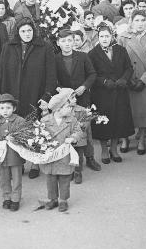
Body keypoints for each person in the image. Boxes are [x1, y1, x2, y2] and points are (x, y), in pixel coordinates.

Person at [0, 17, 57, 179]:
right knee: (14, 131)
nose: (27, 34)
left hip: (35, 95)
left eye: (29, 30)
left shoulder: (44, 47)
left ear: (34, 31)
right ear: (18, 32)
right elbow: (0, 73)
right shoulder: (8, 47)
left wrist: (47, 96)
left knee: (35, 130)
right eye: (23, 31)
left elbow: (51, 75)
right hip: (13, 96)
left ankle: (35, 163)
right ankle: (16, 164)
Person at [54, 29, 101, 181]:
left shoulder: (82, 56)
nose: (67, 44)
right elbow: (52, 79)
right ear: (58, 43)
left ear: (74, 41)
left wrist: (84, 87)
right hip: (65, 102)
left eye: (69, 40)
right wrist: (60, 90)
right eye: (63, 41)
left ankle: (90, 157)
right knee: (68, 131)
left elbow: (92, 74)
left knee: (85, 129)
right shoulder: (55, 59)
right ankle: (74, 164)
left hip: (82, 98)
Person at [88, 22, 135, 163]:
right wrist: (103, 81)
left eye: (107, 36)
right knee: (103, 121)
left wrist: (124, 79)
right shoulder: (93, 53)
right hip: (102, 94)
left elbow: (129, 68)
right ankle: (103, 150)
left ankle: (114, 149)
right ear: (98, 37)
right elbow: (91, 74)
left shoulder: (121, 50)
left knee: (118, 120)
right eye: (101, 36)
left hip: (119, 91)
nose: (104, 39)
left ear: (112, 36)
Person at [117, 10, 146, 155]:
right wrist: (127, 78)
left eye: (143, 20)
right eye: (137, 20)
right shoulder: (123, 37)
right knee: (125, 111)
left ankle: (142, 139)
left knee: (144, 112)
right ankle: (125, 138)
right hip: (127, 81)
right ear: (131, 21)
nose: (140, 23)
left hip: (145, 82)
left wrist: (143, 80)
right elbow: (118, 60)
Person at [40, 88, 86, 213]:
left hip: (65, 156)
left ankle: (63, 200)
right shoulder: (45, 121)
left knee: (65, 179)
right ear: (58, 108)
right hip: (50, 157)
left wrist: (73, 138)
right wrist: (41, 143)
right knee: (51, 180)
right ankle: (53, 199)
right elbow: (38, 135)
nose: (71, 110)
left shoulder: (72, 120)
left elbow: (79, 131)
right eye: (68, 107)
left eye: (71, 107)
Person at [0, 94, 26, 211]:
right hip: (1, 155)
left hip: (15, 156)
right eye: (2, 108)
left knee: (17, 178)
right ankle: (7, 197)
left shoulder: (19, 120)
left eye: (8, 108)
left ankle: (16, 199)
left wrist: (16, 139)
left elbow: (27, 134)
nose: (5, 111)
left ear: (14, 108)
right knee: (4, 178)